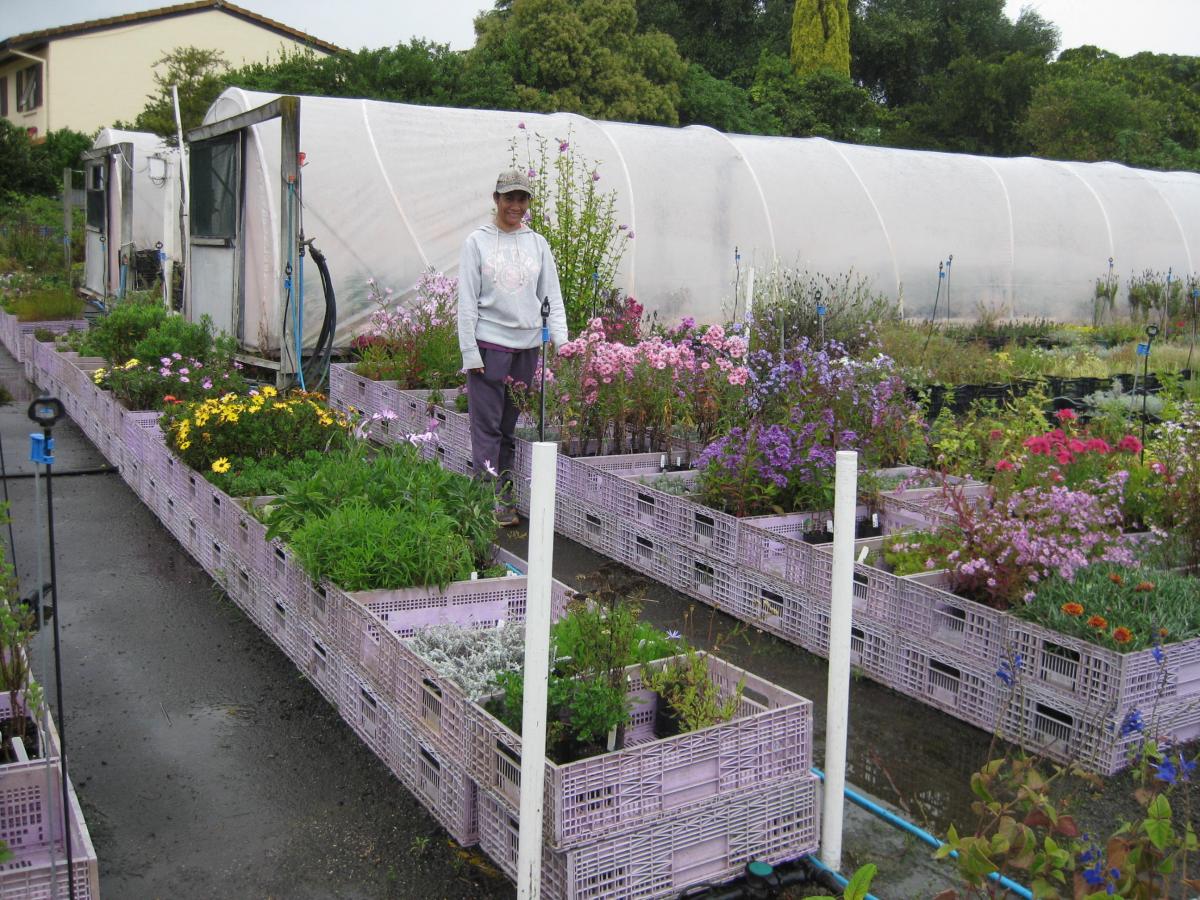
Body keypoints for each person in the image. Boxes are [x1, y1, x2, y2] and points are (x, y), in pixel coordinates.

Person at [458, 168, 568, 526]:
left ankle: (503, 494)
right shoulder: (478, 241)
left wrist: (562, 341)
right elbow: (467, 301)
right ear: (496, 199)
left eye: (522, 199)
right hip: (489, 347)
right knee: (486, 427)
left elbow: (551, 294)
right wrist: (469, 352)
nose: (515, 205)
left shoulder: (537, 243)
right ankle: (486, 501)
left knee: (508, 427)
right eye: (509, 198)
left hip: (526, 348)